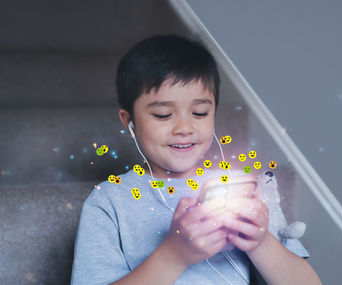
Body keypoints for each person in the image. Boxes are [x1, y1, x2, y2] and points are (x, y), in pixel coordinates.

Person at [71, 34, 322, 285]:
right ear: (130, 123)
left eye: (200, 113)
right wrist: (174, 255)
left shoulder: (245, 190)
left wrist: (260, 242)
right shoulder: (109, 202)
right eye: (163, 114)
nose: (184, 127)